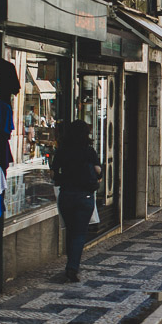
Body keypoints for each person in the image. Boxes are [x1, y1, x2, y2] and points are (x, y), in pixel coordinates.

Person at [50, 120, 102, 282]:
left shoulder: (62, 151)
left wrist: (62, 177)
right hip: (84, 196)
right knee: (79, 233)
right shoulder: (89, 152)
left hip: (66, 195)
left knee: (71, 231)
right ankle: (72, 267)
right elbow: (98, 171)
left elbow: (53, 173)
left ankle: (70, 263)